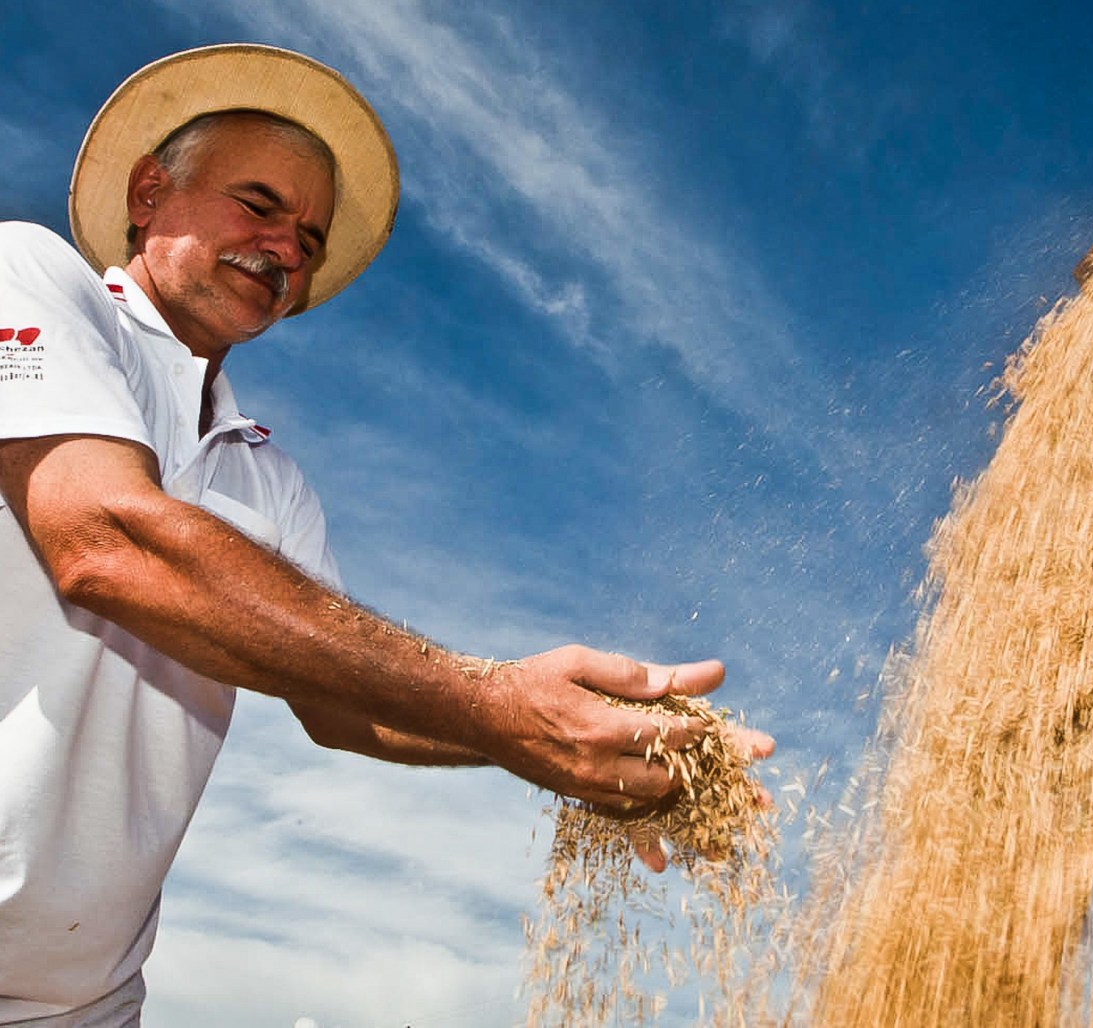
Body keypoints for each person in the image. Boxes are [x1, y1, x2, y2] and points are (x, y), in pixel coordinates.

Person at [0, 44, 772, 1026]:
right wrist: (496, 705)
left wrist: (568, 737)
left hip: (81, 1002)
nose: (285, 247)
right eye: (260, 205)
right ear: (150, 192)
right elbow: (104, 540)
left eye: (309, 239)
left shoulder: (268, 481)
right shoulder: (26, 274)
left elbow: (341, 704)